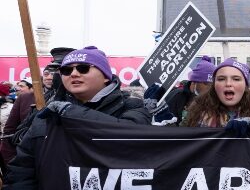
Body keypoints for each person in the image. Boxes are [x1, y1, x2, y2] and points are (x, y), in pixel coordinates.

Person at [6, 46, 151, 187]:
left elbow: (131, 138)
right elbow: (22, 170)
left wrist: (72, 113)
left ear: (106, 76)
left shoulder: (132, 105)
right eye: (66, 70)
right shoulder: (49, 112)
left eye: (83, 68)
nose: (74, 74)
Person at [182, 58, 250, 133]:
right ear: (214, 85)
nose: (228, 84)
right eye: (221, 79)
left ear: (246, 85)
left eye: (236, 79)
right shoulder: (198, 111)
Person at [165, 55, 216, 125]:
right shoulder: (176, 97)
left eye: (212, 85)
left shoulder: (212, 99)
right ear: (195, 81)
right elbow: (168, 128)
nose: (210, 88)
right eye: (206, 83)